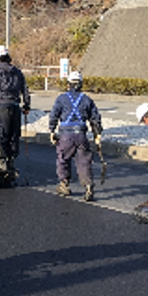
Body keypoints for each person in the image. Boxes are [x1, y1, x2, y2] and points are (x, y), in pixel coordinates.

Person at [48, 71, 103, 201]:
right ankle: (88, 186)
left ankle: (64, 185)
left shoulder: (61, 98)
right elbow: (95, 118)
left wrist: (51, 130)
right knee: (84, 162)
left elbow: (54, 115)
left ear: (69, 84)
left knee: (63, 159)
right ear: (81, 84)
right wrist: (97, 134)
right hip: (81, 135)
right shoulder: (87, 99)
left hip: (66, 136)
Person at [0, 45, 30, 176]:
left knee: (0, 134)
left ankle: (1, 163)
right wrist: (26, 106)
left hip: (2, 106)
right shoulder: (17, 71)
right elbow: (25, 90)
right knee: (13, 135)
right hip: (15, 107)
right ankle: (11, 162)